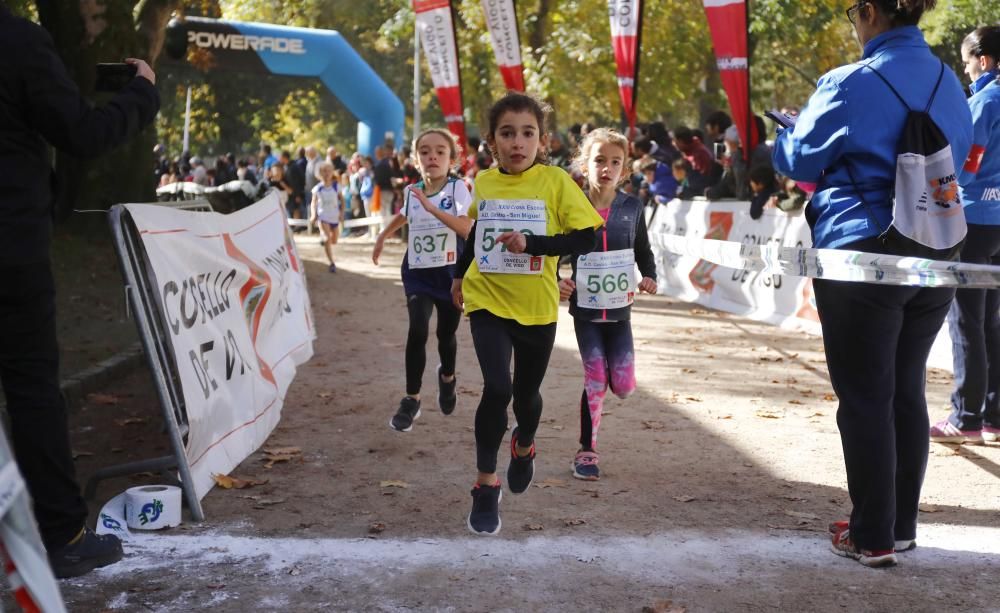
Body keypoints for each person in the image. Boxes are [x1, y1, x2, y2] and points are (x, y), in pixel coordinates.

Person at [772, 0, 972, 568]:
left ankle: (871, 534)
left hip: (863, 250)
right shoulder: (950, 82)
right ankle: (899, 527)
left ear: (868, 12)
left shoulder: (848, 82)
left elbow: (799, 160)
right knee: (906, 390)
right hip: (937, 248)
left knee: (864, 396)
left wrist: (787, 131)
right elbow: (965, 159)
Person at [0, 5, 159, 578]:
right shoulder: (17, 38)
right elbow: (83, 133)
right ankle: (61, 533)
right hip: (10, 248)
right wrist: (141, 93)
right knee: (32, 387)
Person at [451, 92, 603, 535]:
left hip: (536, 306)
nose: (518, 142)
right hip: (487, 298)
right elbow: (479, 231)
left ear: (543, 140)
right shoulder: (483, 182)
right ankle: (485, 484)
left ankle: (524, 445)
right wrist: (461, 274)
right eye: (507, 133)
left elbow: (587, 237)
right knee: (496, 388)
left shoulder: (555, 181)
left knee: (526, 397)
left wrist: (533, 245)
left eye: (527, 133)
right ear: (491, 142)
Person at [556, 128, 657, 480]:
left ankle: (611, 385)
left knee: (625, 386)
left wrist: (649, 276)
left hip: (618, 312)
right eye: (599, 160)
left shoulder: (632, 206)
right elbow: (555, 250)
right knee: (595, 377)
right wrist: (559, 281)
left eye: (615, 162)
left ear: (624, 169)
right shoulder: (571, 204)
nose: (607, 168)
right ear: (585, 164)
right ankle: (587, 451)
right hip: (585, 311)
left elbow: (642, 249)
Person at [372, 129, 473, 432]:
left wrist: (433, 209)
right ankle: (412, 398)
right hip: (417, 272)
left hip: (450, 274)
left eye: (440, 151)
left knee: (446, 335)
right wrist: (381, 236)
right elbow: (405, 215)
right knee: (418, 328)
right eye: (425, 151)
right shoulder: (412, 191)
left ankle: (448, 377)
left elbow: (467, 227)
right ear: (416, 159)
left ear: (452, 159)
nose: (432, 156)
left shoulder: (458, 189)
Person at [930, 25, 1000, 445]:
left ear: (985, 60)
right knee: (992, 319)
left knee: (966, 320)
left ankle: (966, 417)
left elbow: (964, 165)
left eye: (966, 62)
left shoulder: (985, 100)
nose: (966, 71)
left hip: (973, 219)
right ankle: (992, 416)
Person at [309, 161, 345, 273]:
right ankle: (331, 263)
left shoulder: (336, 186)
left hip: (334, 216)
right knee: (327, 239)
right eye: (324, 171)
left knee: (334, 240)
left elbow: (342, 200)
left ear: (332, 172)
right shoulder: (317, 188)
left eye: (328, 171)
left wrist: (342, 212)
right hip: (323, 215)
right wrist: (314, 214)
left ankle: (324, 238)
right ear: (320, 173)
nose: (326, 173)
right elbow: (313, 203)